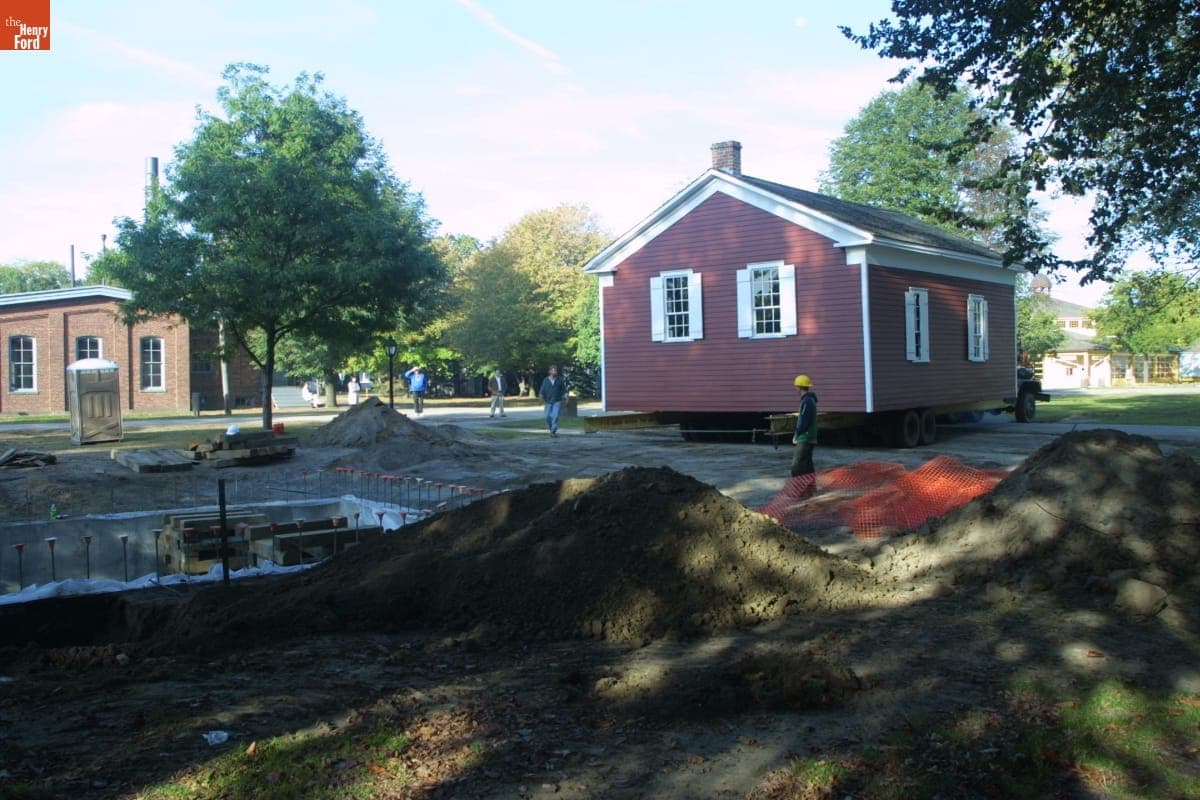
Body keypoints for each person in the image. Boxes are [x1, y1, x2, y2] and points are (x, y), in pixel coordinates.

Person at [790, 374, 818, 487]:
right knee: (807, 466)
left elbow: (803, 421)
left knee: (796, 467)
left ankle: (797, 490)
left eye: (796, 386)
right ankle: (810, 489)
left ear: (799, 387)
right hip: (810, 437)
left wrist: (796, 435)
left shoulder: (806, 401)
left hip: (805, 438)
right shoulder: (811, 400)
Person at [538, 365, 568, 436]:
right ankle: (551, 428)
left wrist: (566, 398)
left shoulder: (560, 380)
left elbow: (564, 391)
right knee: (547, 416)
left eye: (555, 370)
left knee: (555, 415)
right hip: (548, 401)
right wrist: (540, 398)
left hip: (557, 401)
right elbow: (542, 391)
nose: (554, 372)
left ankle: (553, 430)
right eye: (553, 370)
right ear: (549, 372)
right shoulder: (546, 380)